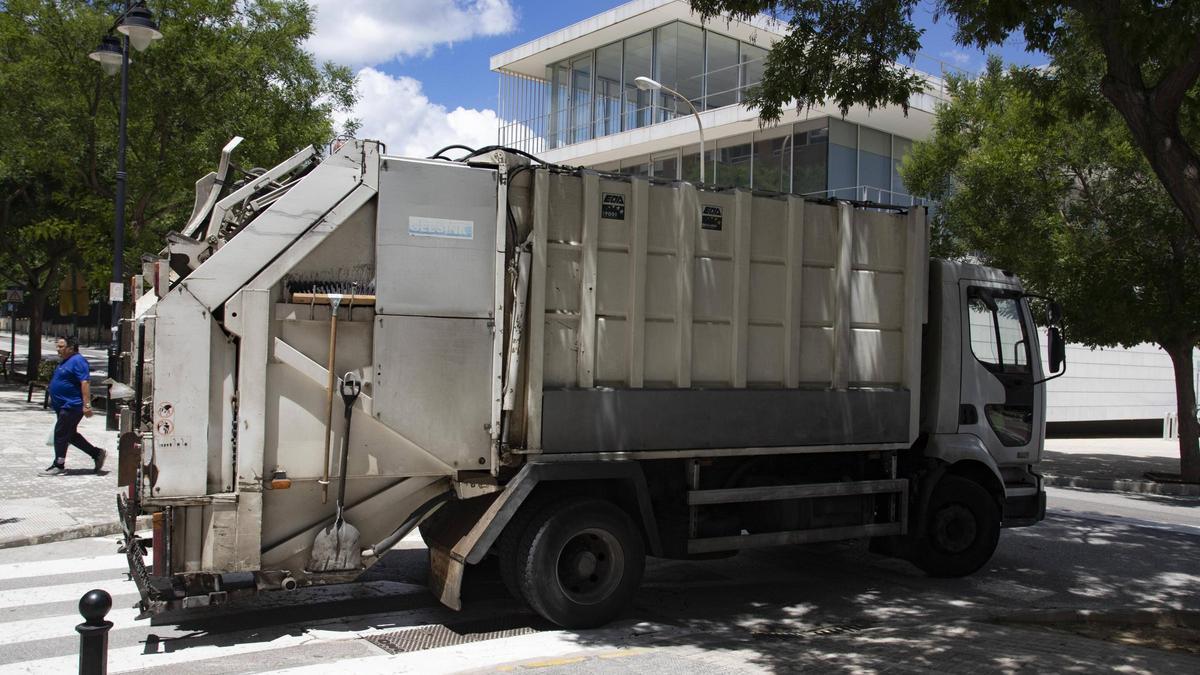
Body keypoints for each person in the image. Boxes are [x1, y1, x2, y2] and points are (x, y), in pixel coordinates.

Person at [39, 337, 106, 476]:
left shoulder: (78, 361)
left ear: (71, 348)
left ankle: (59, 464)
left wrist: (87, 405)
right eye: (57, 346)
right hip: (63, 405)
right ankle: (97, 453)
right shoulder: (66, 361)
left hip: (72, 405)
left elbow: (85, 383)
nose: (58, 349)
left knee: (60, 433)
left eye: (61, 347)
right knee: (70, 435)